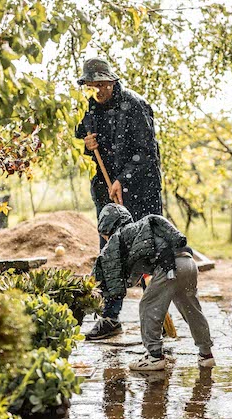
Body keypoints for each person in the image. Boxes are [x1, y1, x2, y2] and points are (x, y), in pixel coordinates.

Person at [75, 57, 164, 339]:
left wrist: (121, 180)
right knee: (110, 252)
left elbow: (146, 154)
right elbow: (86, 134)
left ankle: (156, 316)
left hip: (140, 190)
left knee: (146, 250)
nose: (98, 91)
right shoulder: (93, 107)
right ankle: (111, 318)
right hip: (107, 191)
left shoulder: (135, 106)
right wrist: (89, 144)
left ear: (112, 81)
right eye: (93, 86)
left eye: (102, 85)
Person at [91, 204, 215, 371]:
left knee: (148, 306)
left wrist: (109, 289)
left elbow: (111, 267)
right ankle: (206, 354)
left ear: (107, 227)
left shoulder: (117, 238)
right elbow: (138, 268)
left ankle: (155, 356)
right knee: (191, 309)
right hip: (188, 262)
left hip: (169, 267)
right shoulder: (141, 230)